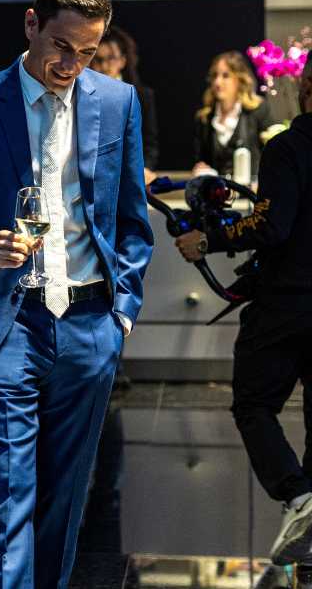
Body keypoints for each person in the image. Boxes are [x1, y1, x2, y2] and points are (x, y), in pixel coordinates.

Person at [0, 0, 153, 588]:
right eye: (61, 47)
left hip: (90, 323)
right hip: (8, 321)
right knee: (10, 490)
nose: (71, 65)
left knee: (66, 496)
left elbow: (132, 220)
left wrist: (122, 314)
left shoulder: (118, 102)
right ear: (31, 25)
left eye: (87, 52)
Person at [175, 59, 312, 565]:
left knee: (254, 405)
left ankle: (298, 496)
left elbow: (270, 226)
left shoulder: (288, 147)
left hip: (286, 305)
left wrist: (207, 239)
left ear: (306, 85)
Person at [91, 25, 159, 183]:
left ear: (122, 61)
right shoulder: (81, 94)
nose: (104, 66)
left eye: (110, 58)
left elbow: (150, 144)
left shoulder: (142, 95)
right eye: (98, 59)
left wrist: (144, 169)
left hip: (131, 176)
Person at [193, 51, 273, 181]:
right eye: (214, 76)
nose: (217, 82)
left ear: (239, 79)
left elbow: (271, 156)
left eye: (225, 76)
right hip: (218, 191)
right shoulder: (205, 118)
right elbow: (201, 160)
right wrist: (201, 167)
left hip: (251, 190)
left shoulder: (258, 110)